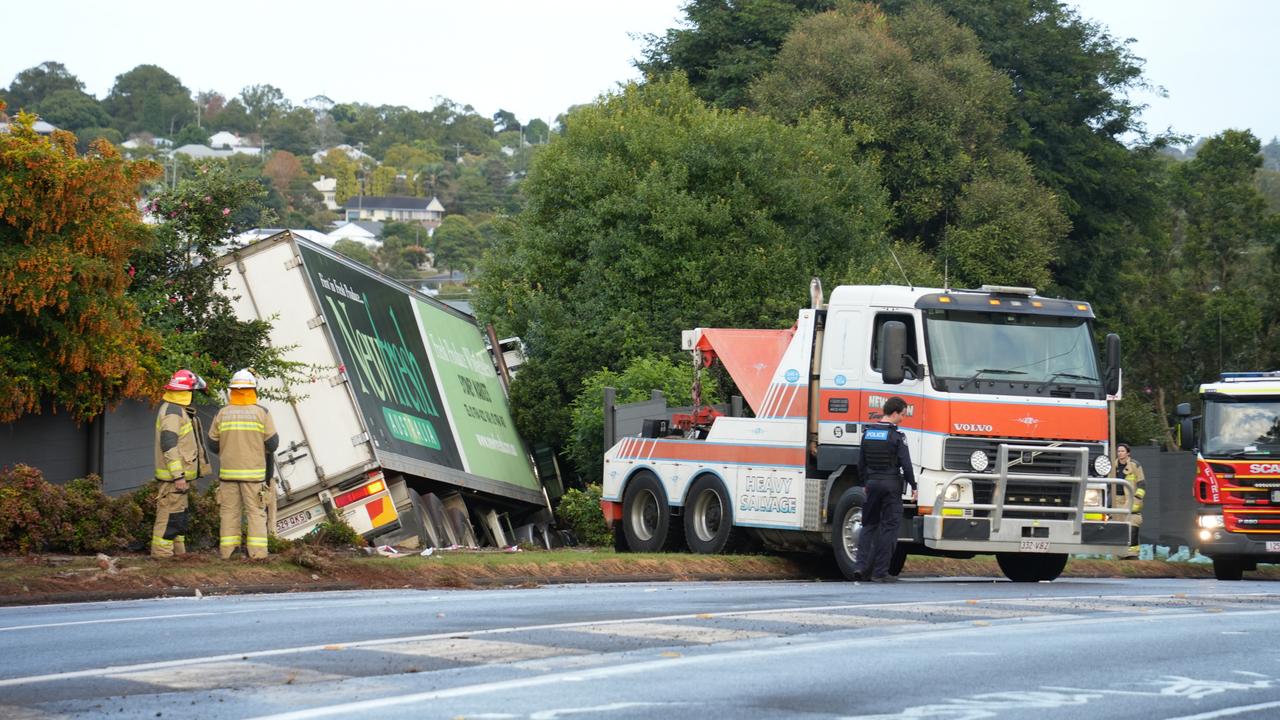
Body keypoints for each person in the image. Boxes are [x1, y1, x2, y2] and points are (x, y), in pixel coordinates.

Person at [208, 369, 279, 560]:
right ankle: (257, 555)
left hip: (228, 475)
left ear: (232, 390)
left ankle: (228, 554)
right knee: (256, 514)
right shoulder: (262, 413)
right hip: (253, 475)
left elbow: (212, 444)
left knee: (229, 513)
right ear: (253, 390)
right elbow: (273, 444)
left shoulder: (222, 413)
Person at [853, 396, 916, 582]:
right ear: (895, 413)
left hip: (871, 484)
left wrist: (865, 483)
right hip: (891, 485)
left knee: (868, 525)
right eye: (902, 415)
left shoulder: (868, 433)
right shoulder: (897, 436)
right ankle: (880, 572)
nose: (903, 418)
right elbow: (906, 464)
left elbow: (860, 463)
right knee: (889, 528)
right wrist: (914, 486)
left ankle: (860, 567)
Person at [151, 369, 210, 558]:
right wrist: (178, 476)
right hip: (174, 480)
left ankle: (179, 558)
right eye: (192, 391)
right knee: (168, 520)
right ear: (185, 392)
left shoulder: (175, 410)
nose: (194, 395)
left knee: (177, 519)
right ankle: (162, 558)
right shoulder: (173, 413)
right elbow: (169, 445)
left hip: (177, 480)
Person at [1110, 442, 1146, 555]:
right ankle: (1119, 553)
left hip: (1130, 499)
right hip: (1116, 500)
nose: (1120, 453)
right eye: (1118, 451)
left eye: (1122, 451)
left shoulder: (1135, 465)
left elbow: (1142, 484)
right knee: (1117, 524)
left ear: (1128, 453)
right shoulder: (1112, 466)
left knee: (1133, 521)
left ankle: (1133, 553)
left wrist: (1137, 499)